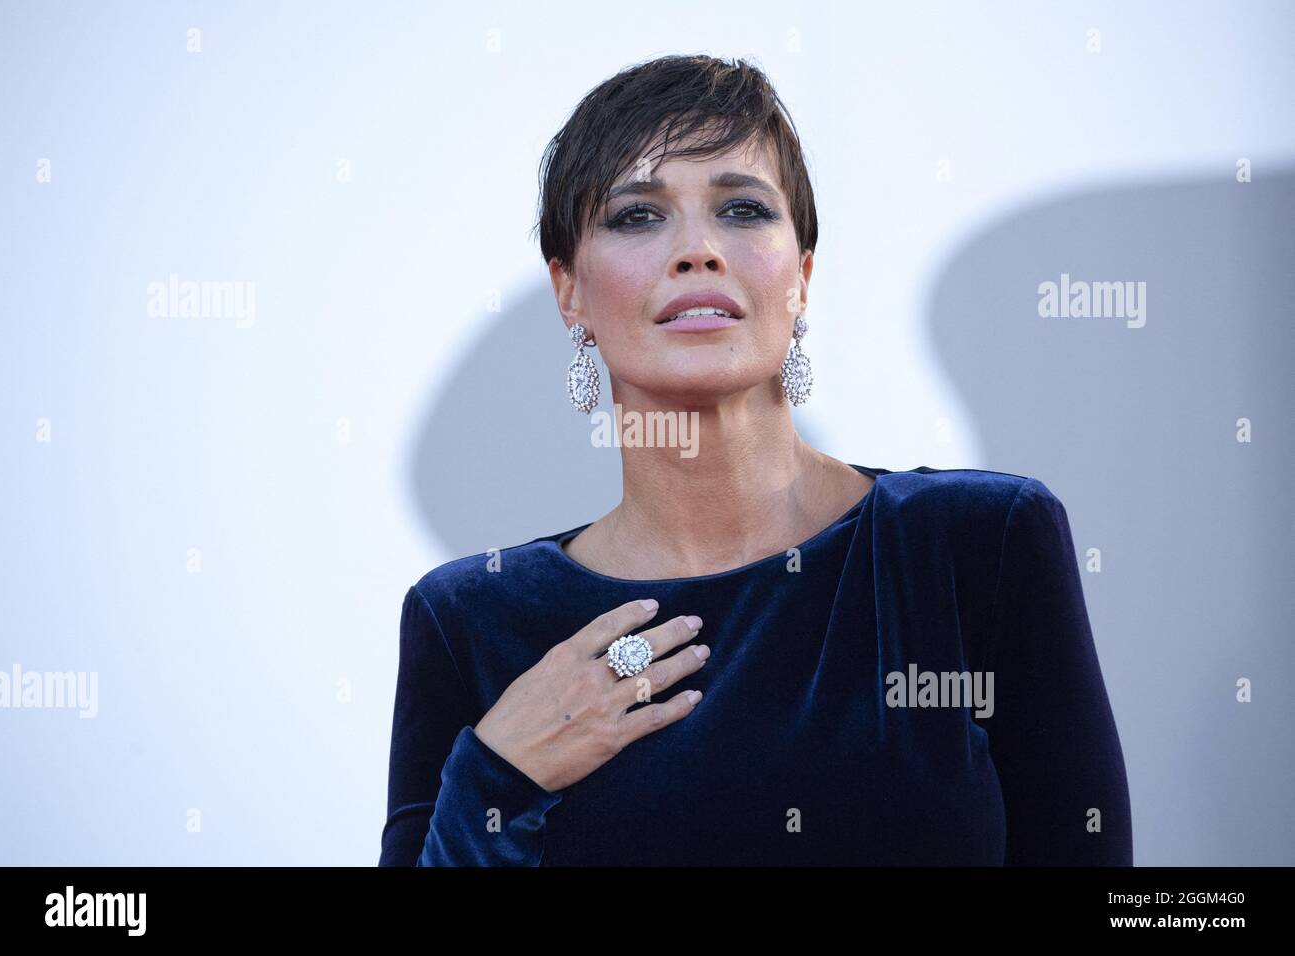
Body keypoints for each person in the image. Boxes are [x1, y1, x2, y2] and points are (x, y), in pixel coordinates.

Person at [378, 54, 1132, 866]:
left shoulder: (977, 545)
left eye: (741, 209)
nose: (698, 249)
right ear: (569, 291)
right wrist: (497, 777)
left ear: (802, 277)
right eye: (637, 215)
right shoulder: (470, 620)